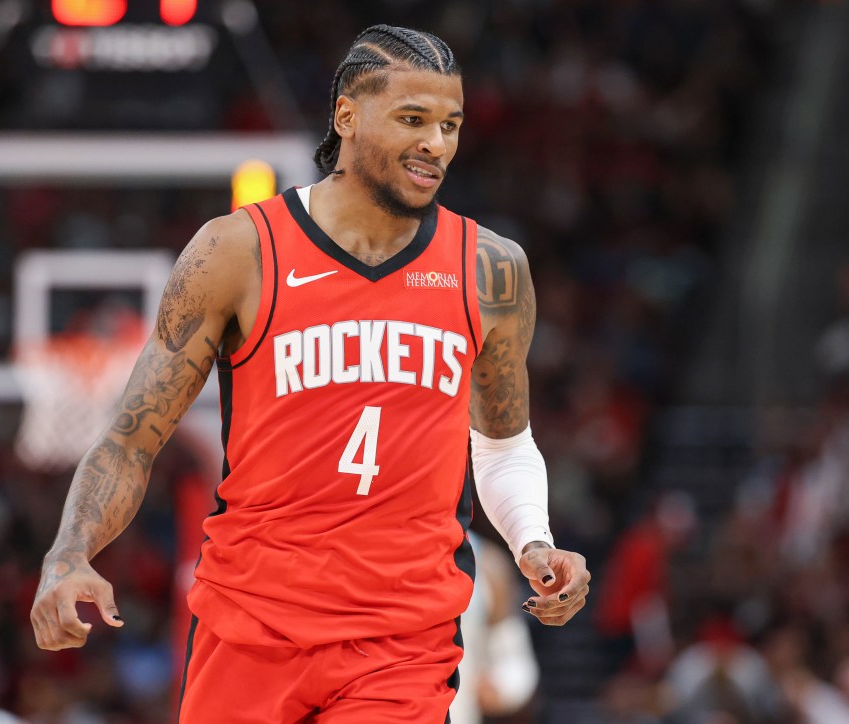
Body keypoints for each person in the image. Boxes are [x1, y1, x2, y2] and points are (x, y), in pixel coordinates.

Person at [30, 24, 591, 723]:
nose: (436, 144)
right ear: (347, 117)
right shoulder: (239, 251)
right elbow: (129, 440)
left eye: (450, 124)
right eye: (413, 119)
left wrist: (534, 538)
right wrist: (69, 552)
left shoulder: (491, 270)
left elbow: (503, 444)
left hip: (401, 641)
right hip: (251, 626)